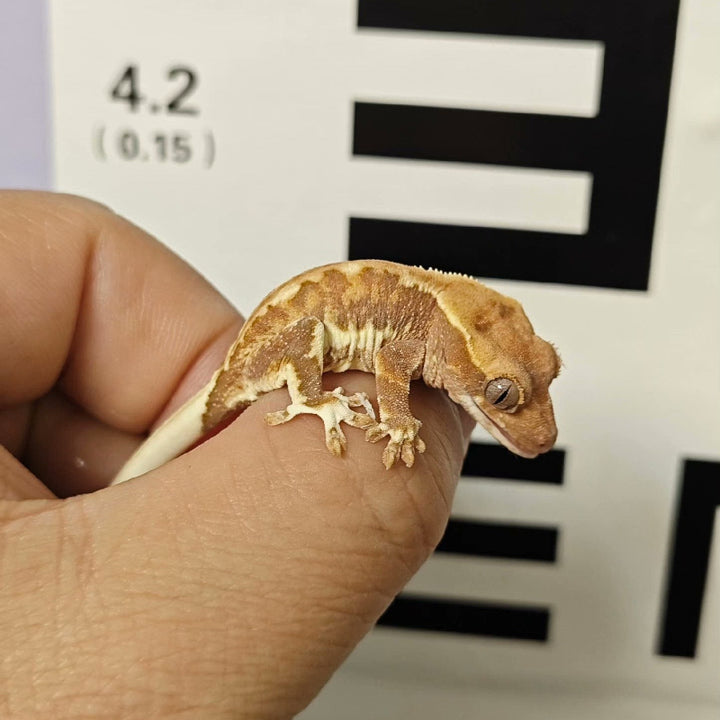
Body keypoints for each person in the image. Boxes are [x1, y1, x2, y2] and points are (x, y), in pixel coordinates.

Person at [0, 191, 472, 718]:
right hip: (273, 354)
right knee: (305, 338)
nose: (535, 432)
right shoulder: (423, 338)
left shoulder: (436, 332)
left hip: (281, 342)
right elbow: (391, 363)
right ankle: (308, 398)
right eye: (502, 396)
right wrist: (395, 419)